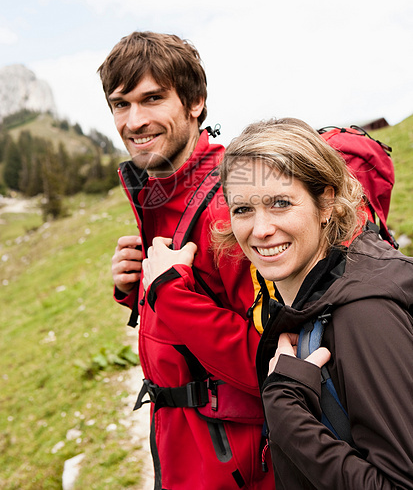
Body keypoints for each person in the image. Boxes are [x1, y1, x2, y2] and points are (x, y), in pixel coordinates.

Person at [98, 32, 275, 490]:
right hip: (182, 448)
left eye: (152, 99)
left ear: (195, 102)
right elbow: (193, 298)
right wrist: (135, 288)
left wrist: (168, 293)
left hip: (238, 464)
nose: (134, 120)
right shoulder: (160, 190)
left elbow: (274, 365)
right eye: (121, 104)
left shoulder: (229, 208)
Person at [212, 117, 413, 490]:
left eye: (281, 203)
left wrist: (285, 411)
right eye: (242, 210)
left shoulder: (362, 314)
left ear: (326, 202)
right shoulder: (321, 297)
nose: (260, 229)